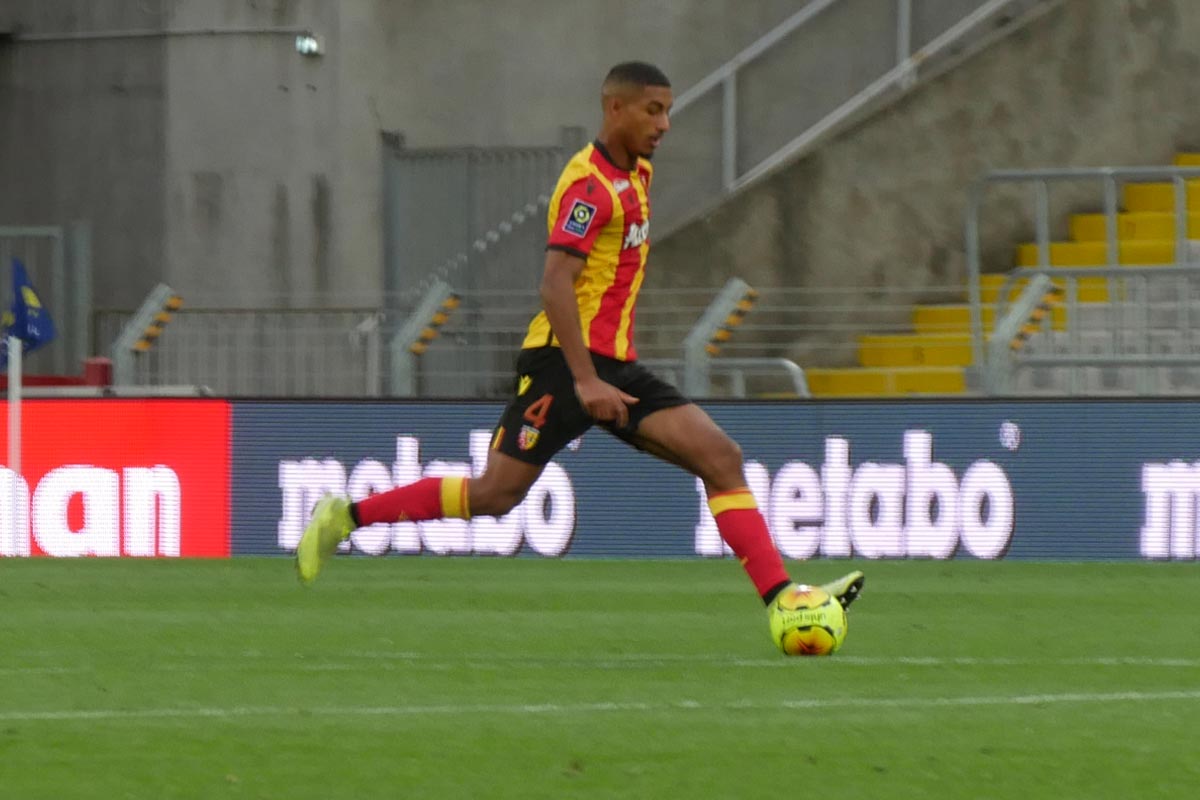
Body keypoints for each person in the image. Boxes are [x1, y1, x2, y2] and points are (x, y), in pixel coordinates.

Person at [296, 61, 863, 642]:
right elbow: (554, 283)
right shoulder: (587, 188)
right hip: (562, 365)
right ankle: (345, 516)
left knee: (719, 458)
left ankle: (784, 600)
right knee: (495, 496)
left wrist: (601, 373)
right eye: (653, 110)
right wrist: (585, 380)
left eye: (668, 110)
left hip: (612, 364)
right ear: (613, 107)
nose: (665, 124)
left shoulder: (637, 170)